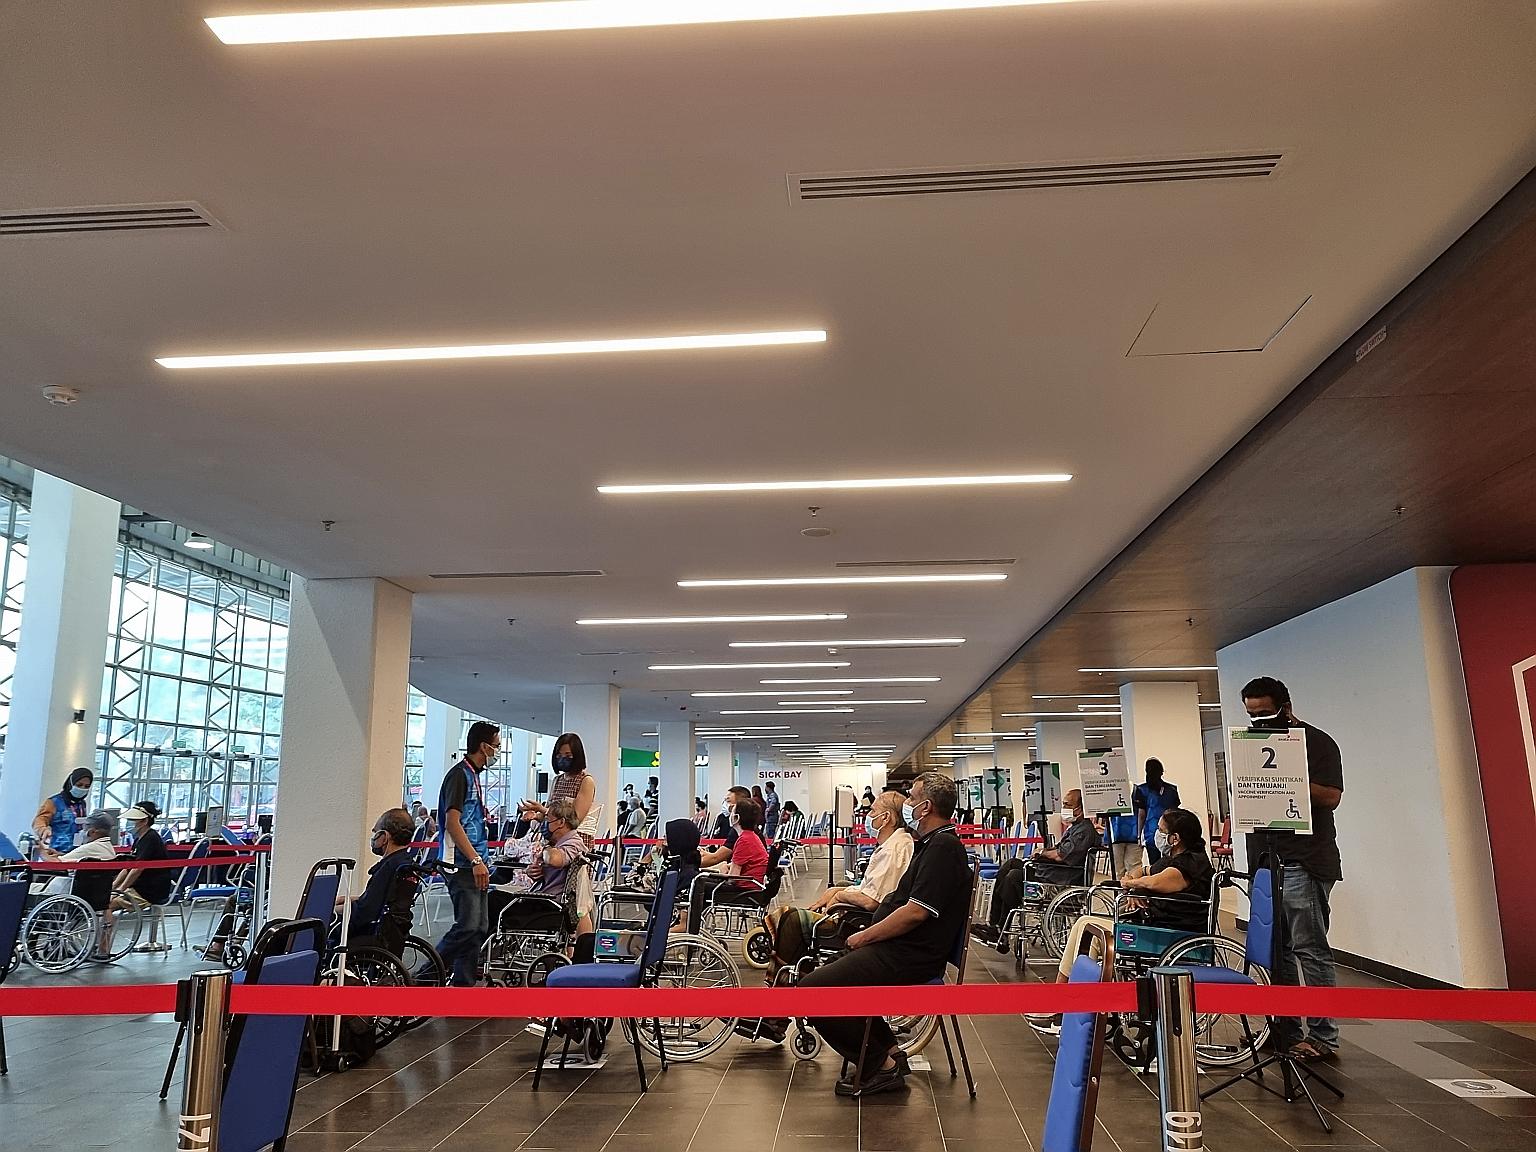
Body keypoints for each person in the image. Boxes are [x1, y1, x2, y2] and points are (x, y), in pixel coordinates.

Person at [800, 772, 971, 1098]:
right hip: (902, 948)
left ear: (925, 807)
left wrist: (866, 936)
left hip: (911, 955)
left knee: (812, 990)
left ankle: (879, 1065)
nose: (907, 805)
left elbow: (915, 912)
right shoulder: (932, 844)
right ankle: (889, 1052)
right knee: (830, 974)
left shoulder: (943, 848)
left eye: (912, 798)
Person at [737, 791, 916, 1044]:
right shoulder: (894, 844)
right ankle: (776, 1005)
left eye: (873, 811)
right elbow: (872, 888)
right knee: (790, 919)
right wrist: (838, 891)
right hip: (863, 916)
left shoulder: (895, 848)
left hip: (862, 922)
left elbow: (872, 900)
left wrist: (840, 895)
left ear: (886, 818)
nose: (869, 816)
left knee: (789, 919)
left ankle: (775, 1009)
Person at [1033, 807, 1214, 1035]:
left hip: (1171, 935)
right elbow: (1141, 871)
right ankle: (1064, 1004)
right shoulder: (1173, 858)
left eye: (1160, 830)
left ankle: (1066, 1006)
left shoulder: (1190, 864)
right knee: (1085, 927)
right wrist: (1135, 884)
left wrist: (1131, 885)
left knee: (1088, 928)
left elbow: (1153, 882)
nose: (1155, 834)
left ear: (1175, 838)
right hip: (1155, 926)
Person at [1242, 675, 1345, 1063]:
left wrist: (1288, 777)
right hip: (1266, 862)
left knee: (1310, 949)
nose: (1259, 720)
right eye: (1252, 714)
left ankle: (1322, 1036)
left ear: (1286, 707)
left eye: (1265, 712)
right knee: (1275, 950)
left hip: (1304, 859)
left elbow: (1331, 796)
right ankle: (1284, 1029)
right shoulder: (1251, 744)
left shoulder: (1317, 742)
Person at [974, 789, 1099, 945]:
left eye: (1068, 805)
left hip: (1061, 880)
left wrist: (1042, 852)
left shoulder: (1084, 831)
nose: (1064, 808)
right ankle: (995, 925)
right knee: (1011, 864)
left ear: (1080, 809)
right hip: (1053, 873)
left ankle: (1002, 929)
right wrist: (1043, 852)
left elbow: (1061, 855)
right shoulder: (1075, 827)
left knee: (1014, 877)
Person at [436, 720, 498, 986]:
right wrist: (475, 860)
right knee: (468, 925)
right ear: (483, 746)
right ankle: (426, 975)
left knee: (479, 928)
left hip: (476, 861)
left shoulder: (473, 776)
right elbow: (453, 822)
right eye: (496, 746)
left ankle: (463, 984)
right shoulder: (459, 775)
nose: (497, 752)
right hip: (462, 863)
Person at [683, 796, 768, 933]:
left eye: (732, 811)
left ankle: (689, 925)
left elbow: (733, 878)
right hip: (751, 887)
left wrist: (723, 871)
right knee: (703, 880)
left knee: (697, 883)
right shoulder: (750, 837)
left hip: (745, 890)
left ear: (737, 818)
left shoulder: (744, 840)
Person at [348, 807, 421, 955]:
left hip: (370, 934)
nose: (373, 838)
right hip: (393, 933)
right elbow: (383, 899)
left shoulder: (387, 868)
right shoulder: (405, 863)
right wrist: (351, 900)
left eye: (375, 833)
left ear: (385, 837)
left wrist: (338, 908)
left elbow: (366, 911)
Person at [112, 802, 173, 953]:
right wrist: (113, 887)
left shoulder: (151, 839)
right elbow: (128, 867)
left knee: (107, 904)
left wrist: (121, 890)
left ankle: (103, 948)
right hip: (139, 887)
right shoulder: (139, 839)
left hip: (149, 891)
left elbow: (137, 869)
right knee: (105, 898)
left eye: (133, 820)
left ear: (144, 821)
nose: (130, 823)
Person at [32, 767, 94, 856]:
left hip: (76, 853)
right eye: (79, 785)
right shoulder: (53, 802)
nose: (82, 788)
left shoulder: (82, 803)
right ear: (71, 784)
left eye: (87, 786)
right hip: (55, 853)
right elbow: (39, 820)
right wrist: (43, 830)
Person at [1134, 759, 1181, 865]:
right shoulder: (1172, 789)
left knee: (1155, 865)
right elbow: (1176, 812)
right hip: (1169, 832)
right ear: (1161, 772)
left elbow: (1141, 815)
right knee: (1170, 863)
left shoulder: (1141, 790)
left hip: (1151, 832)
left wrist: (1138, 835)